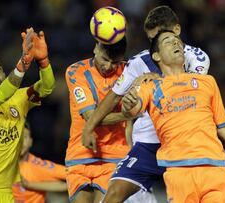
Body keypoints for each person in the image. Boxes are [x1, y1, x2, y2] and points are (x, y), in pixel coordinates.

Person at [121, 30, 225, 202]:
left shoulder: (208, 82)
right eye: (168, 41)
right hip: (179, 173)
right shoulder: (151, 86)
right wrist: (128, 103)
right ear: (157, 56)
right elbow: (132, 109)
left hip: (215, 170)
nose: (176, 43)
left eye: (177, 40)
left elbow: (224, 127)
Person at [82, 6, 210, 202]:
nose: (154, 45)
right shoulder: (139, 61)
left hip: (182, 142)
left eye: (159, 37)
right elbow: (114, 95)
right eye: (151, 40)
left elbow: (187, 93)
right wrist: (89, 128)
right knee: (114, 193)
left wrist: (155, 83)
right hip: (148, 143)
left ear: (176, 31)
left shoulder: (197, 58)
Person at [0, 28, 55, 202]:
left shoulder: (20, 98)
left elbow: (47, 87)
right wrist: (22, 65)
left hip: (4, 191)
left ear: (4, 74)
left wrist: (43, 61)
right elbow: (1, 94)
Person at [65, 35, 131, 202]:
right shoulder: (75, 71)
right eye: (105, 59)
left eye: (115, 62)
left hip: (114, 154)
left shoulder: (129, 70)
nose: (108, 66)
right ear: (96, 48)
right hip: (80, 153)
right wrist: (126, 115)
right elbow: (91, 117)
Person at [12, 122, 67, 203]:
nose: (20, 142)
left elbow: (71, 176)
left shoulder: (39, 166)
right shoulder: (0, 163)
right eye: (16, 137)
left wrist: (29, 185)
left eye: (25, 137)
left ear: (30, 142)